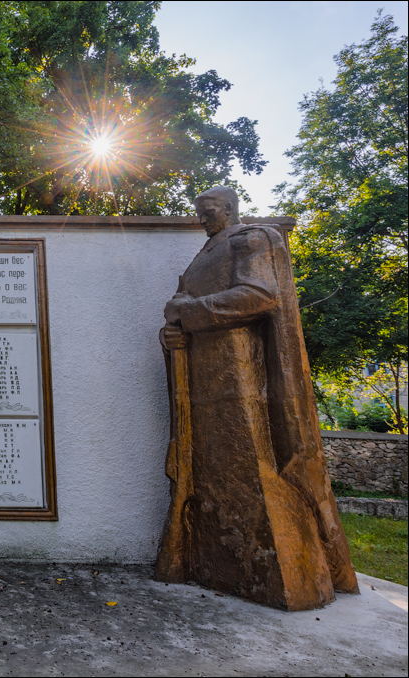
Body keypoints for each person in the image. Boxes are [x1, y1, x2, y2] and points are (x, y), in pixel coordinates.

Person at [155, 186, 358, 610]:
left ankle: (281, 574)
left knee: (253, 464)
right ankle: (218, 561)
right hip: (204, 380)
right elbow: (180, 313)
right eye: (199, 212)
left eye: (209, 210)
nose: (203, 219)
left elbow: (260, 295)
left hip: (243, 376)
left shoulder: (252, 239)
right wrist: (172, 333)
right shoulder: (202, 256)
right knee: (209, 469)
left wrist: (187, 314)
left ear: (229, 208)